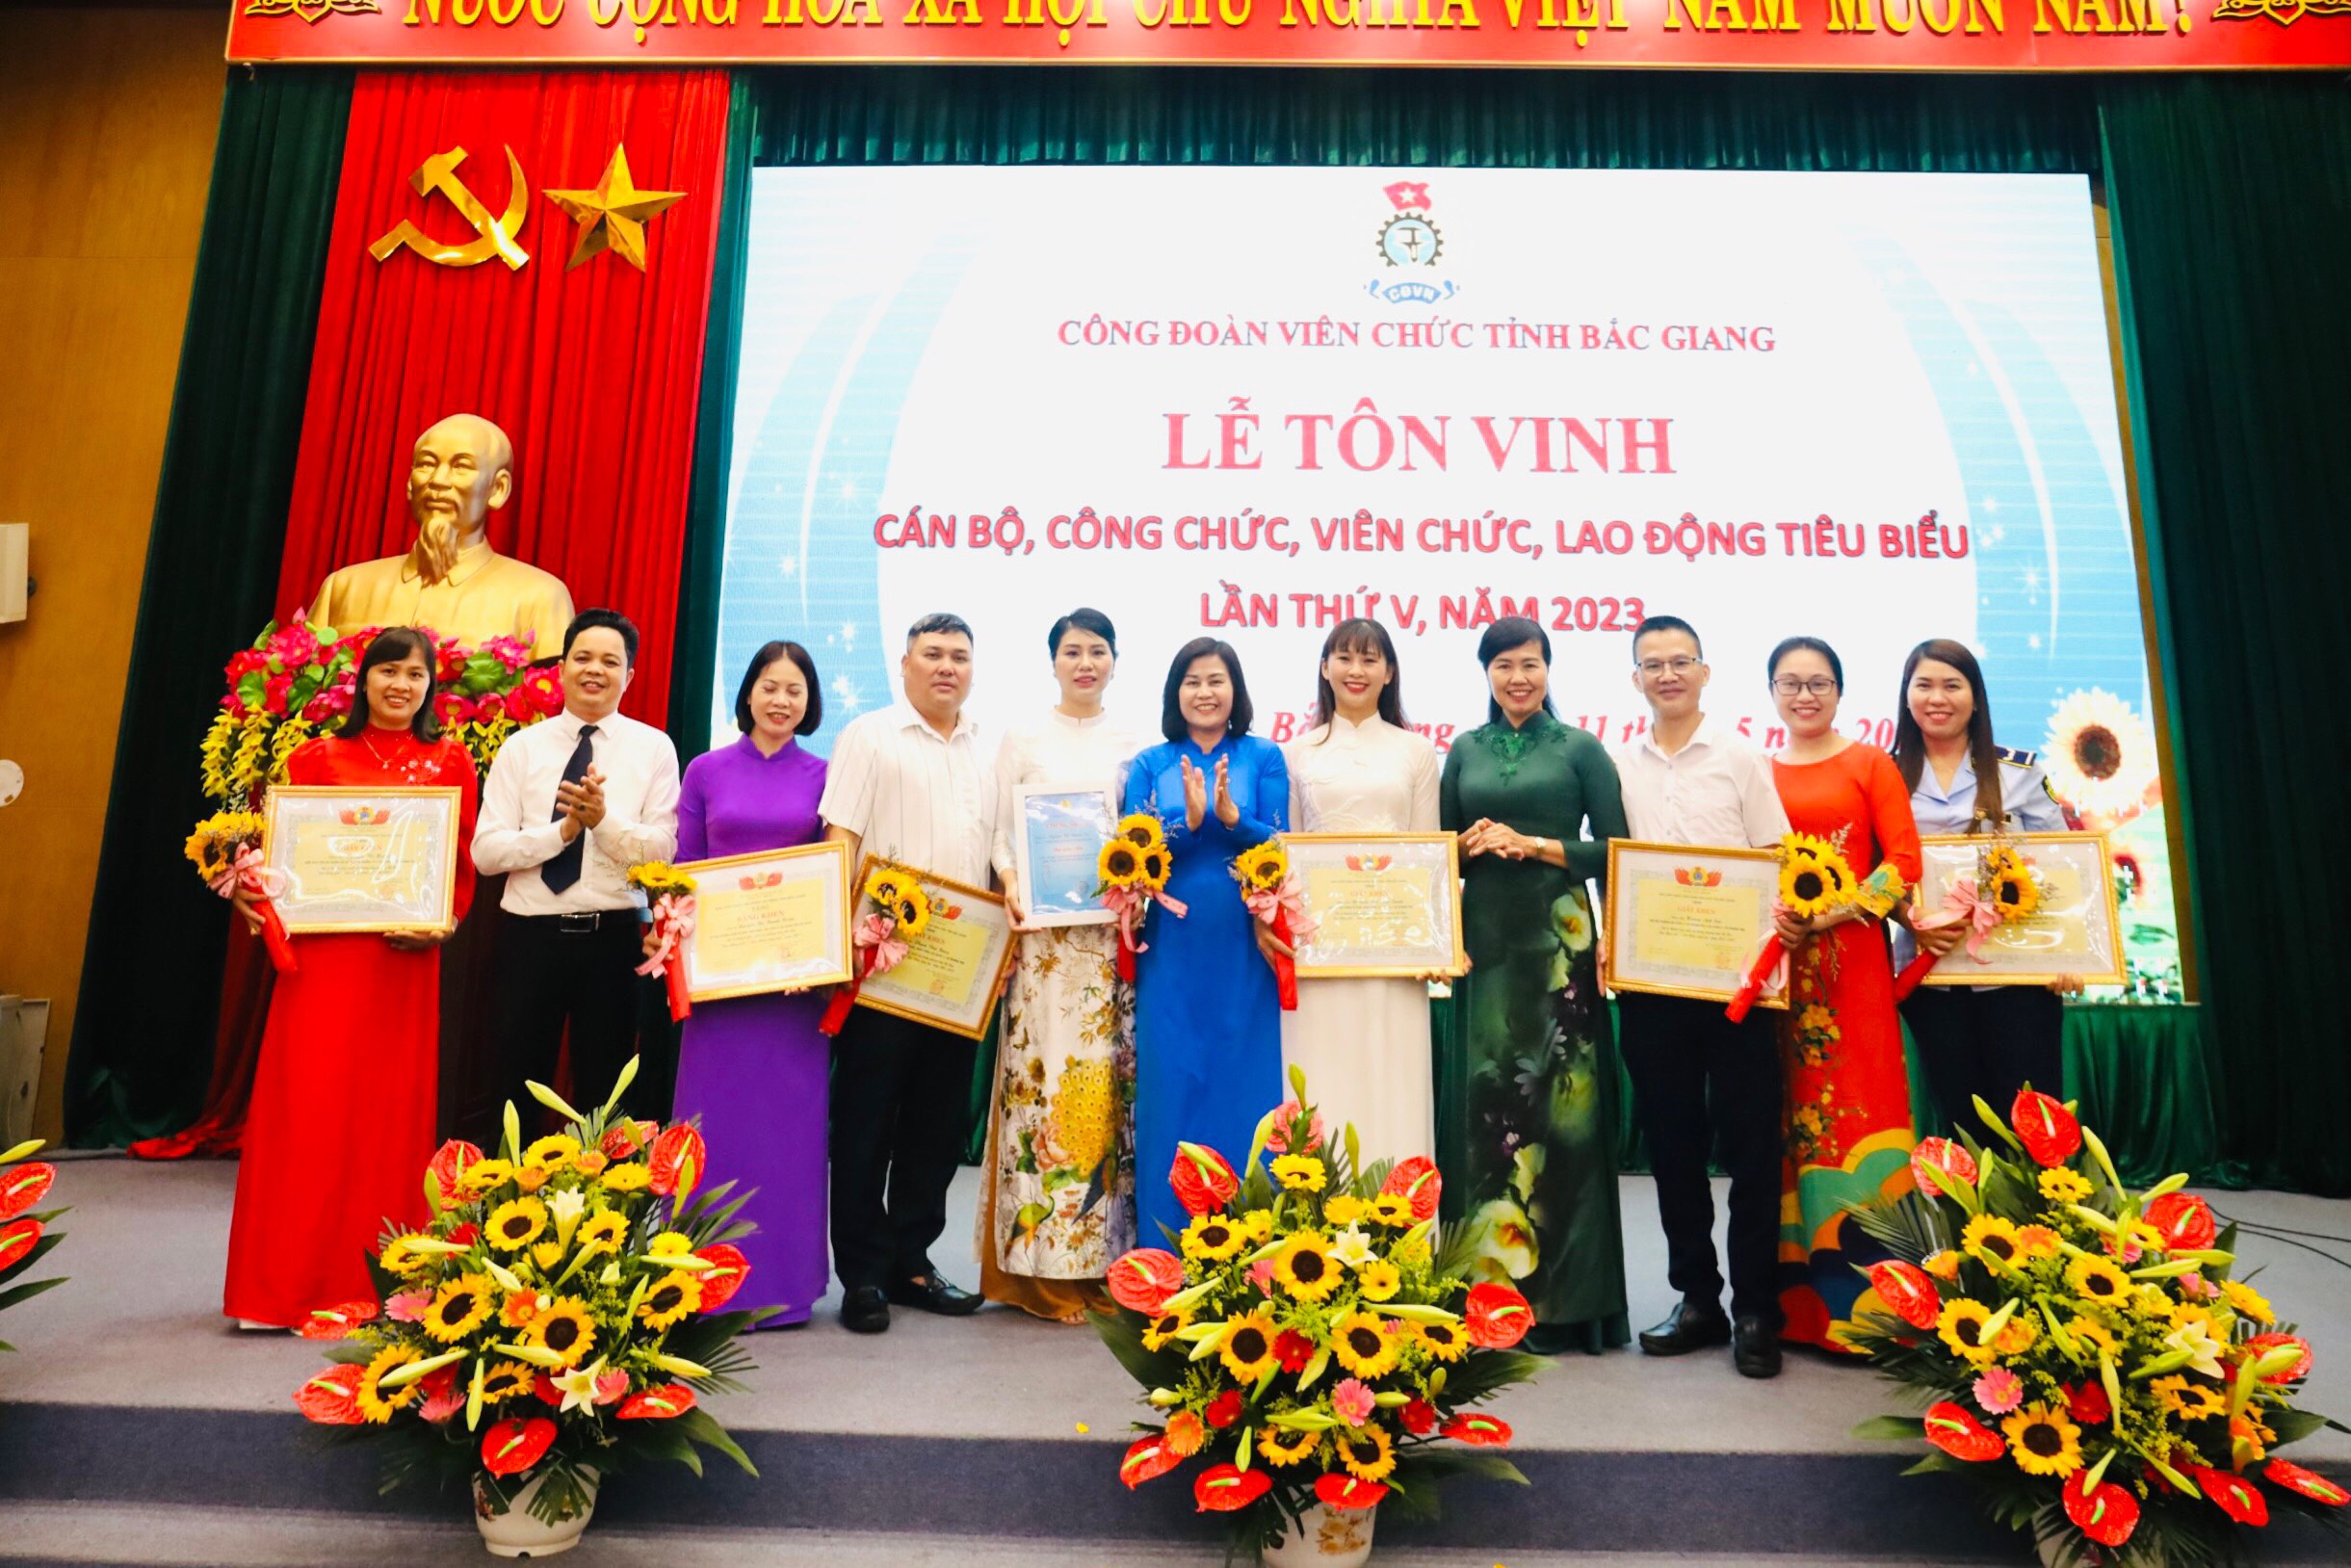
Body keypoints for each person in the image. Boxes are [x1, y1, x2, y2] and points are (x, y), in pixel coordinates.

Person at [222, 628, 478, 1327]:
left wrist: (446, 921)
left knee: (385, 1117)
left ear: (430, 687)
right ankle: (278, 1291)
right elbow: (281, 857)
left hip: (401, 964)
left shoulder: (451, 760)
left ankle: (380, 1285)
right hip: (322, 963)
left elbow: (458, 864)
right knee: (306, 1109)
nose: (401, 685)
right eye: (388, 671)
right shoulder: (314, 758)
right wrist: (248, 887)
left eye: (415, 675)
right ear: (363, 680)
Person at [1438, 616, 1631, 1356]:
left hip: (1558, 944)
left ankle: (1564, 1304)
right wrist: (1467, 846)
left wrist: (1537, 846)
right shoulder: (1464, 749)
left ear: (1548, 669)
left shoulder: (1579, 748)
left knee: (1561, 1116)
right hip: (1485, 946)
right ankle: (1486, 1298)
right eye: (1503, 666)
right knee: (1488, 1112)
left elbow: (1616, 851)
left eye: (1529, 664)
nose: (1517, 678)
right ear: (1485, 673)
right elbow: (1435, 854)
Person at [1609, 616, 1792, 1379]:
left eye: (1679, 661)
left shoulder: (1741, 757)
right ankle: (1696, 1299)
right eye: (1651, 664)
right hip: (1652, 985)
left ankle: (1755, 1309)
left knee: (1750, 1149)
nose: (1667, 674)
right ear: (1636, 680)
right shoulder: (1619, 765)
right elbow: (1611, 867)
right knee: (1672, 1148)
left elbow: (1776, 856)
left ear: (1704, 672)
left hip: (1739, 984)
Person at [821, 613, 998, 1334]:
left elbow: (998, 853)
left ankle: (913, 1262)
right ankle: (863, 1274)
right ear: (904, 664)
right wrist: (839, 941)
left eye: (959, 655)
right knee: (867, 1119)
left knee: (936, 1121)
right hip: (882, 960)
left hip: (960, 968)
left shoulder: (989, 747)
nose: (946, 666)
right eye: (932, 654)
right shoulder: (870, 735)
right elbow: (841, 836)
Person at [981, 609, 1149, 1322]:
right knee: (1043, 1095)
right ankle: (1041, 1269)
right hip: (1044, 949)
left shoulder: (1135, 743)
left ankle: (1105, 1265)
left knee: (1105, 1099)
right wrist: (1011, 883)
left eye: (1098, 651)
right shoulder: (1022, 737)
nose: (1085, 663)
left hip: (1109, 949)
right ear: (1052, 661)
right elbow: (1000, 835)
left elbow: (1144, 837)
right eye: (1073, 651)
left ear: (1114, 661)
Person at [1765, 635, 1924, 1353]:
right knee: (1792, 1124)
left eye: (1818, 683)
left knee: (1865, 1110)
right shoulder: (1759, 770)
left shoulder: (1869, 763)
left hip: (1853, 967)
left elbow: (1904, 861)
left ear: (1838, 691)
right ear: (1772, 692)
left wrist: (1830, 913)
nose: (1805, 695)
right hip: (1783, 973)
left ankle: (1879, 1311)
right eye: (1790, 683)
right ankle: (1797, 1311)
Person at [665, 640, 830, 1328]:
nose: (780, 700)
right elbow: (684, 866)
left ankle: (785, 1281)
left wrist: (815, 957)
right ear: (748, 692)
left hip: (792, 992)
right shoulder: (705, 770)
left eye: (794, 690)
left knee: (788, 1134)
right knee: (714, 1128)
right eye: (770, 686)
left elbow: (832, 873)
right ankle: (696, 1281)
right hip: (720, 986)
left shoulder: (827, 775)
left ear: (809, 701)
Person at [471, 609, 679, 1129]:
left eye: (610, 661)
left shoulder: (654, 748)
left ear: (629, 676)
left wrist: (603, 823)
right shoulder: (522, 748)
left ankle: (600, 1186)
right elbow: (487, 853)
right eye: (583, 658)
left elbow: (662, 850)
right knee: (515, 1086)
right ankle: (507, 1181)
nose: (595, 670)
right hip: (528, 937)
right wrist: (560, 834)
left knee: (606, 1092)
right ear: (561, 669)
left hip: (613, 939)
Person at [1124, 639, 1290, 1247]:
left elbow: (1277, 843)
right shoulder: (1150, 763)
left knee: (1244, 1085)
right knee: (1173, 1083)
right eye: (1192, 681)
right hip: (1173, 945)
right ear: (1176, 693)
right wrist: (1189, 825)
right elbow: (1134, 854)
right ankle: (1165, 1248)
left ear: (1235, 690)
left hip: (1245, 942)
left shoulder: (1264, 756)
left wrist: (1231, 819)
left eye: (1216, 680)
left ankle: (1251, 1245)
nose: (1204, 692)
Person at [1888, 639, 2077, 1140]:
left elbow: (2065, 867)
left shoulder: (2020, 772)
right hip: (1931, 977)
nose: (1937, 698)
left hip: (2020, 975)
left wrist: (2069, 957)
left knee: (2035, 1125)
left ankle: (2044, 1197)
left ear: (1975, 697)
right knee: (1962, 1126)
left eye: (1952, 685)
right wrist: (1908, 917)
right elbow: (1872, 873)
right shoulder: (1884, 775)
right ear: (1907, 695)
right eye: (1924, 685)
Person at [1280, 617, 1441, 1163]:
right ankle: (1313, 1208)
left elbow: (1425, 852)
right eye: (1344, 658)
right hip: (1317, 951)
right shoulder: (1294, 753)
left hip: (1395, 952)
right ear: (1324, 668)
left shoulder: (1416, 751)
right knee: (1320, 1076)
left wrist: (1431, 942)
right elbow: (1287, 853)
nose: (1356, 670)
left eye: (1370, 659)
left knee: (1394, 1073)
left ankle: (1402, 1208)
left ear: (1389, 672)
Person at [308, 413, 574, 657]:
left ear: (498, 489)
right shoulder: (343, 587)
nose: (438, 480)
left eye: (461, 467)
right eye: (426, 464)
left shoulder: (540, 598)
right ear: (409, 483)